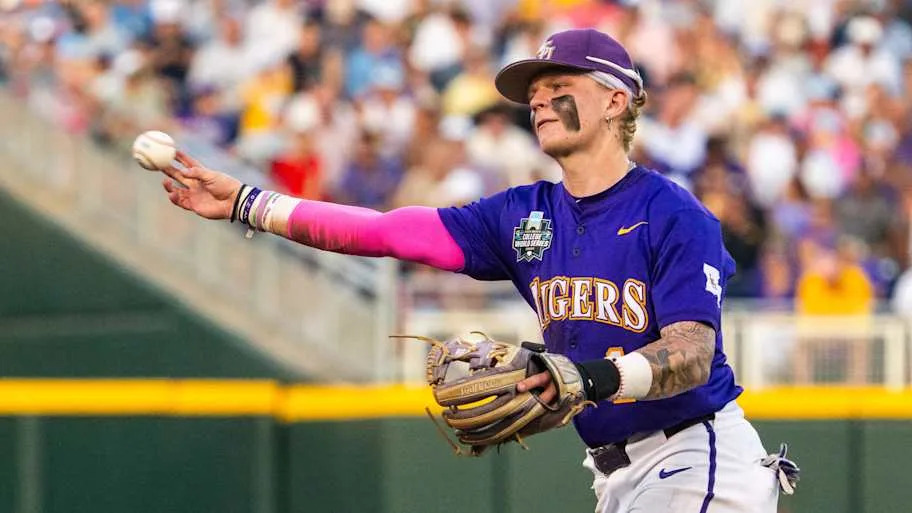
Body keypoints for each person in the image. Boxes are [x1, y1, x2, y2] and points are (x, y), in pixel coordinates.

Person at [155, 29, 795, 513]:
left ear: (614, 100)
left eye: (557, 88)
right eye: (533, 96)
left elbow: (690, 354)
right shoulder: (524, 215)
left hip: (696, 456)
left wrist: (587, 377)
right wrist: (250, 203)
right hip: (618, 475)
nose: (538, 103)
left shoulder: (672, 213)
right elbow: (386, 232)